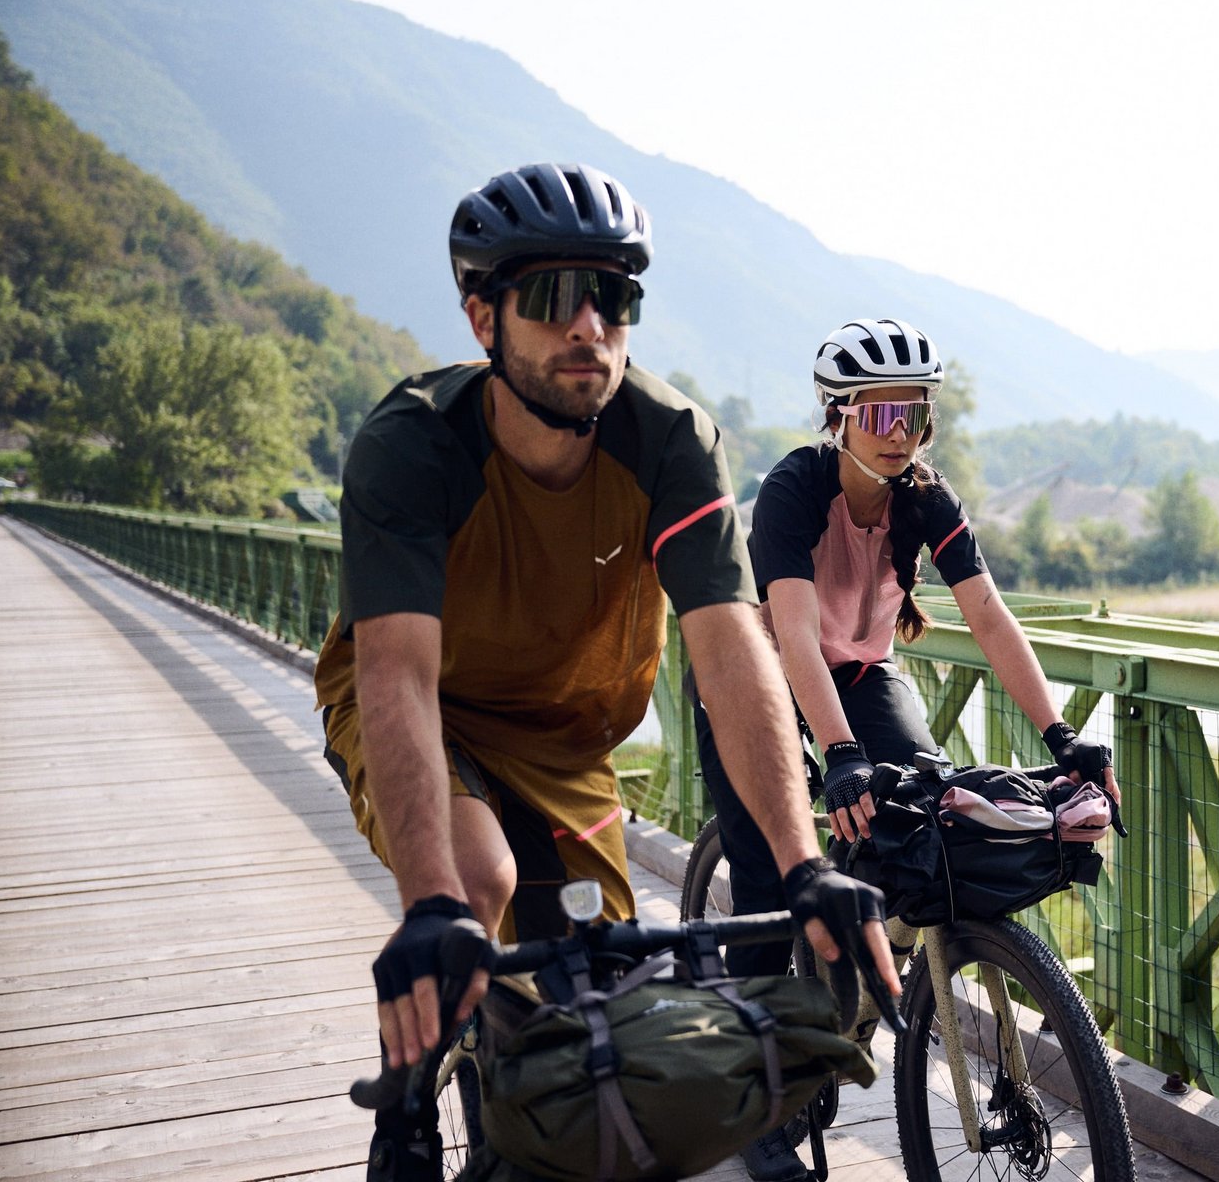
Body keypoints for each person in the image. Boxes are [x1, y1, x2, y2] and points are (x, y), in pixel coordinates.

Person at [313, 163, 899, 1182]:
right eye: (550, 297)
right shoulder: (414, 445)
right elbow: (399, 673)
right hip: (429, 708)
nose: (590, 326)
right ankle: (406, 1098)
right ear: (481, 315)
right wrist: (429, 905)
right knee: (476, 886)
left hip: (570, 738)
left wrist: (805, 864)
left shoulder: (669, 440)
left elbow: (729, 646)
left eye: (614, 297)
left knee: (606, 1003)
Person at [692, 317, 1120, 1182]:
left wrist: (1062, 738)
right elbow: (798, 642)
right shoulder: (792, 491)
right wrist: (840, 753)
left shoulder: (926, 497)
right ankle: (753, 1100)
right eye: (881, 415)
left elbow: (991, 618)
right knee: (774, 873)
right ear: (838, 415)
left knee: (924, 817)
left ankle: (848, 984)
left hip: (863, 670)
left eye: (915, 417)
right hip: (760, 673)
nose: (900, 436)